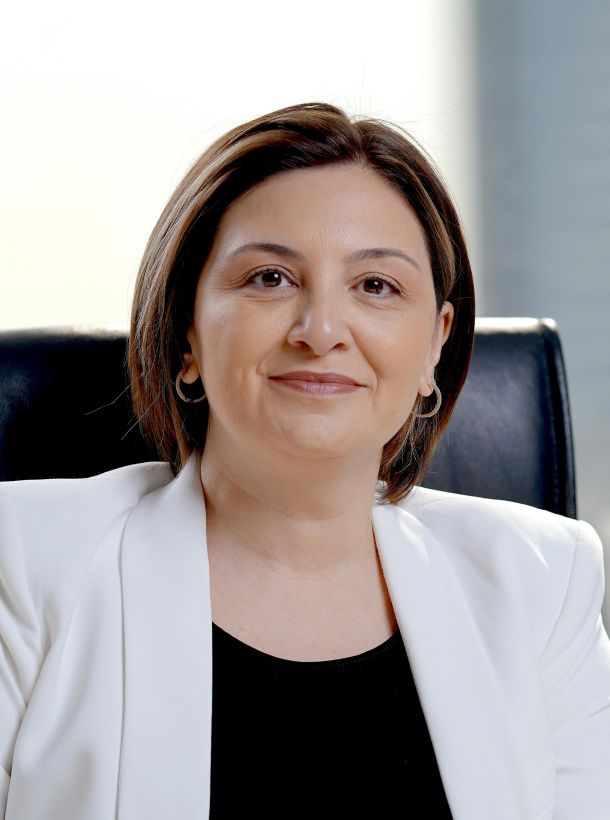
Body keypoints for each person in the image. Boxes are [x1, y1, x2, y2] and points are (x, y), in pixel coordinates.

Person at [1, 101, 609, 820]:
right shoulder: (23, 563)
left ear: (434, 346)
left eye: (376, 286)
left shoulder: (543, 583)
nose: (320, 331)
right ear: (187, 332)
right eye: (270, 278)